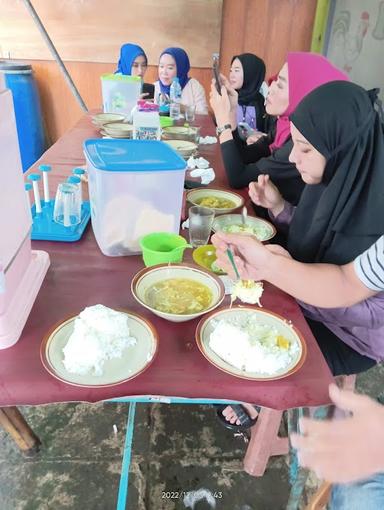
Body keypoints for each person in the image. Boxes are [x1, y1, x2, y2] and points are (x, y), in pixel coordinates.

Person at [212, 232, 384, 509]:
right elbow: (346, 280)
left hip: (356, 340)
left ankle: (257, 394)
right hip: (320, 305)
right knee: (255, 329)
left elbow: (368, 311)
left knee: (280, 355)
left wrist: (287, 278)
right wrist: (272, 264)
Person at [209, 52, 348, 207]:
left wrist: (223, 123)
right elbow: (243, 157)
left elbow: (237, 177)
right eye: (275, 80)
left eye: (280, 84)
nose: (271, 88)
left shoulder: (302, 143)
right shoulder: (283, 127)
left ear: (303, 94)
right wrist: (231, 113)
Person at [154, 47, 208, 114]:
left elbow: (204, 115)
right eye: (161, 66)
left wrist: (182, 108)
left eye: (170, 68)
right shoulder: (155, 87)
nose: (164, 72)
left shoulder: (194, 87)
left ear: (181, 69)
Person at [229, 53, 267, 135]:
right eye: (230, 70)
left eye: (236, 70)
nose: (231, 75)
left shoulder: (263, 103)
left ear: (250, 72)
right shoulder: (230, 97)